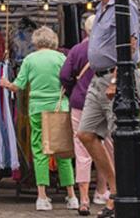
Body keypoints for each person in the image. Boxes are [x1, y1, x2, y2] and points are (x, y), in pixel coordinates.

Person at [79, 0, 138, 218]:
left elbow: (131, 45)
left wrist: (116, 79)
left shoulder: (124, 7)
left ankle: (125, 195)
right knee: (85, 133)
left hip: (117, 78)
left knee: (121, 138)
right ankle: (116, 188)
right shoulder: (101, 8)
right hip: (98, 78)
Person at [5, 25, 76, 212]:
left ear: (36, 41)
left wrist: (6, 83)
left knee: (39, 150)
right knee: (63, 151)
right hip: (59, 107)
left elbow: (18, 86)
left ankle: (42, 196)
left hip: (37, 108)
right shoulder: (61, 58)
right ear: (53, 40)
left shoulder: (29, 59)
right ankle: (71, 195)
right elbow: (70, 80)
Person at [60, 16, 100, 214]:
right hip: (104, 103)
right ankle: (104, 191)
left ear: (85, 31)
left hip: (80, 102)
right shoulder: (108, 47)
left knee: (82, 151)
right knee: (106, 147)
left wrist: (72, 88)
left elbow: (64, 75)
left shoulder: (77, 50)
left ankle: (84, 199)